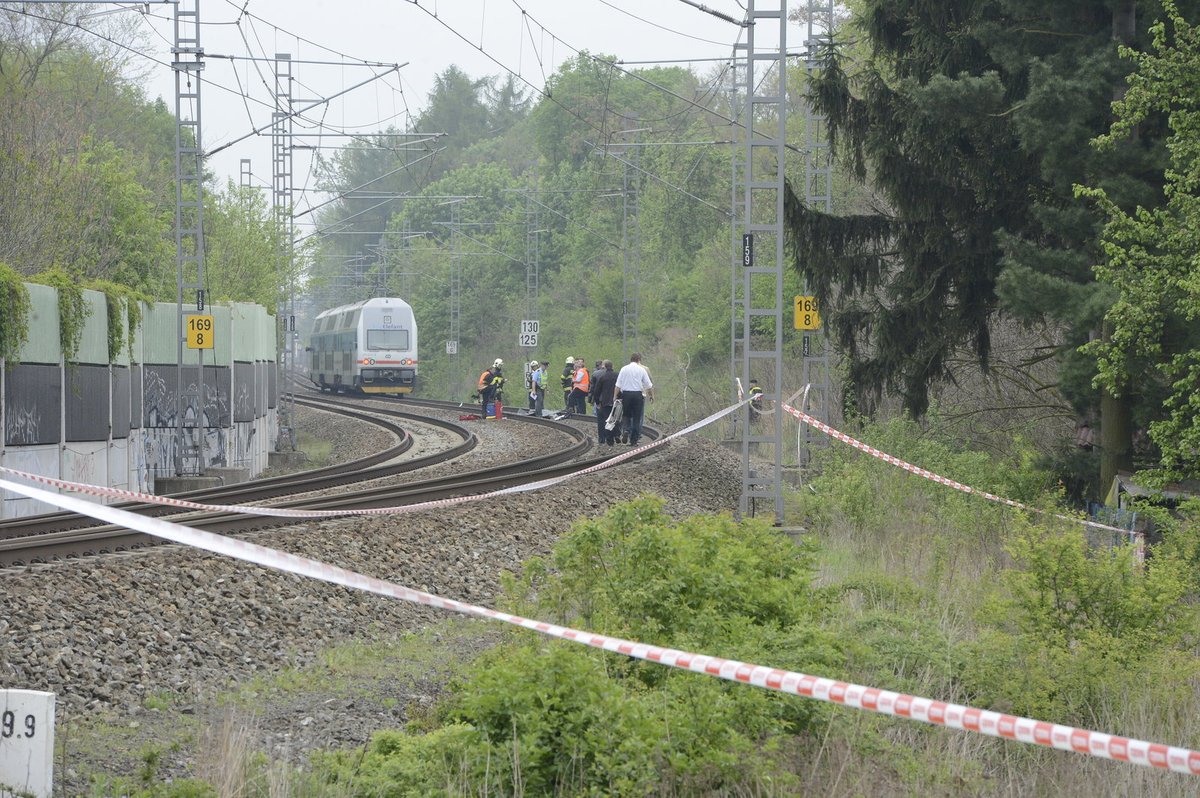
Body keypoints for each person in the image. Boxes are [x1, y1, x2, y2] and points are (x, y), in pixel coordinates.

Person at [614, 352, 653, 446]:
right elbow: (649, 385)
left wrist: (615, 397)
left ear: (630, 359)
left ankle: (626, 430)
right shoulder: (642, 370)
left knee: (626, 415)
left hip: (626, 394)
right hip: (638, 395)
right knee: (636, 417)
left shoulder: (624, 369)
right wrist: (651, 395)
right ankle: (634, 440)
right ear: (639, 360)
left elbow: (618, 385)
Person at [591, 358, 619, 446]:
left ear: (605, 367)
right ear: (612, 366)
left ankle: (607, 440)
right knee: (615, 418)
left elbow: (596, 390)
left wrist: (596, 402)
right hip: (616, 401)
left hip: (604, 401)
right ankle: (617, 434)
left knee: (605, 420)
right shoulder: (617, 375)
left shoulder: (601, 376)